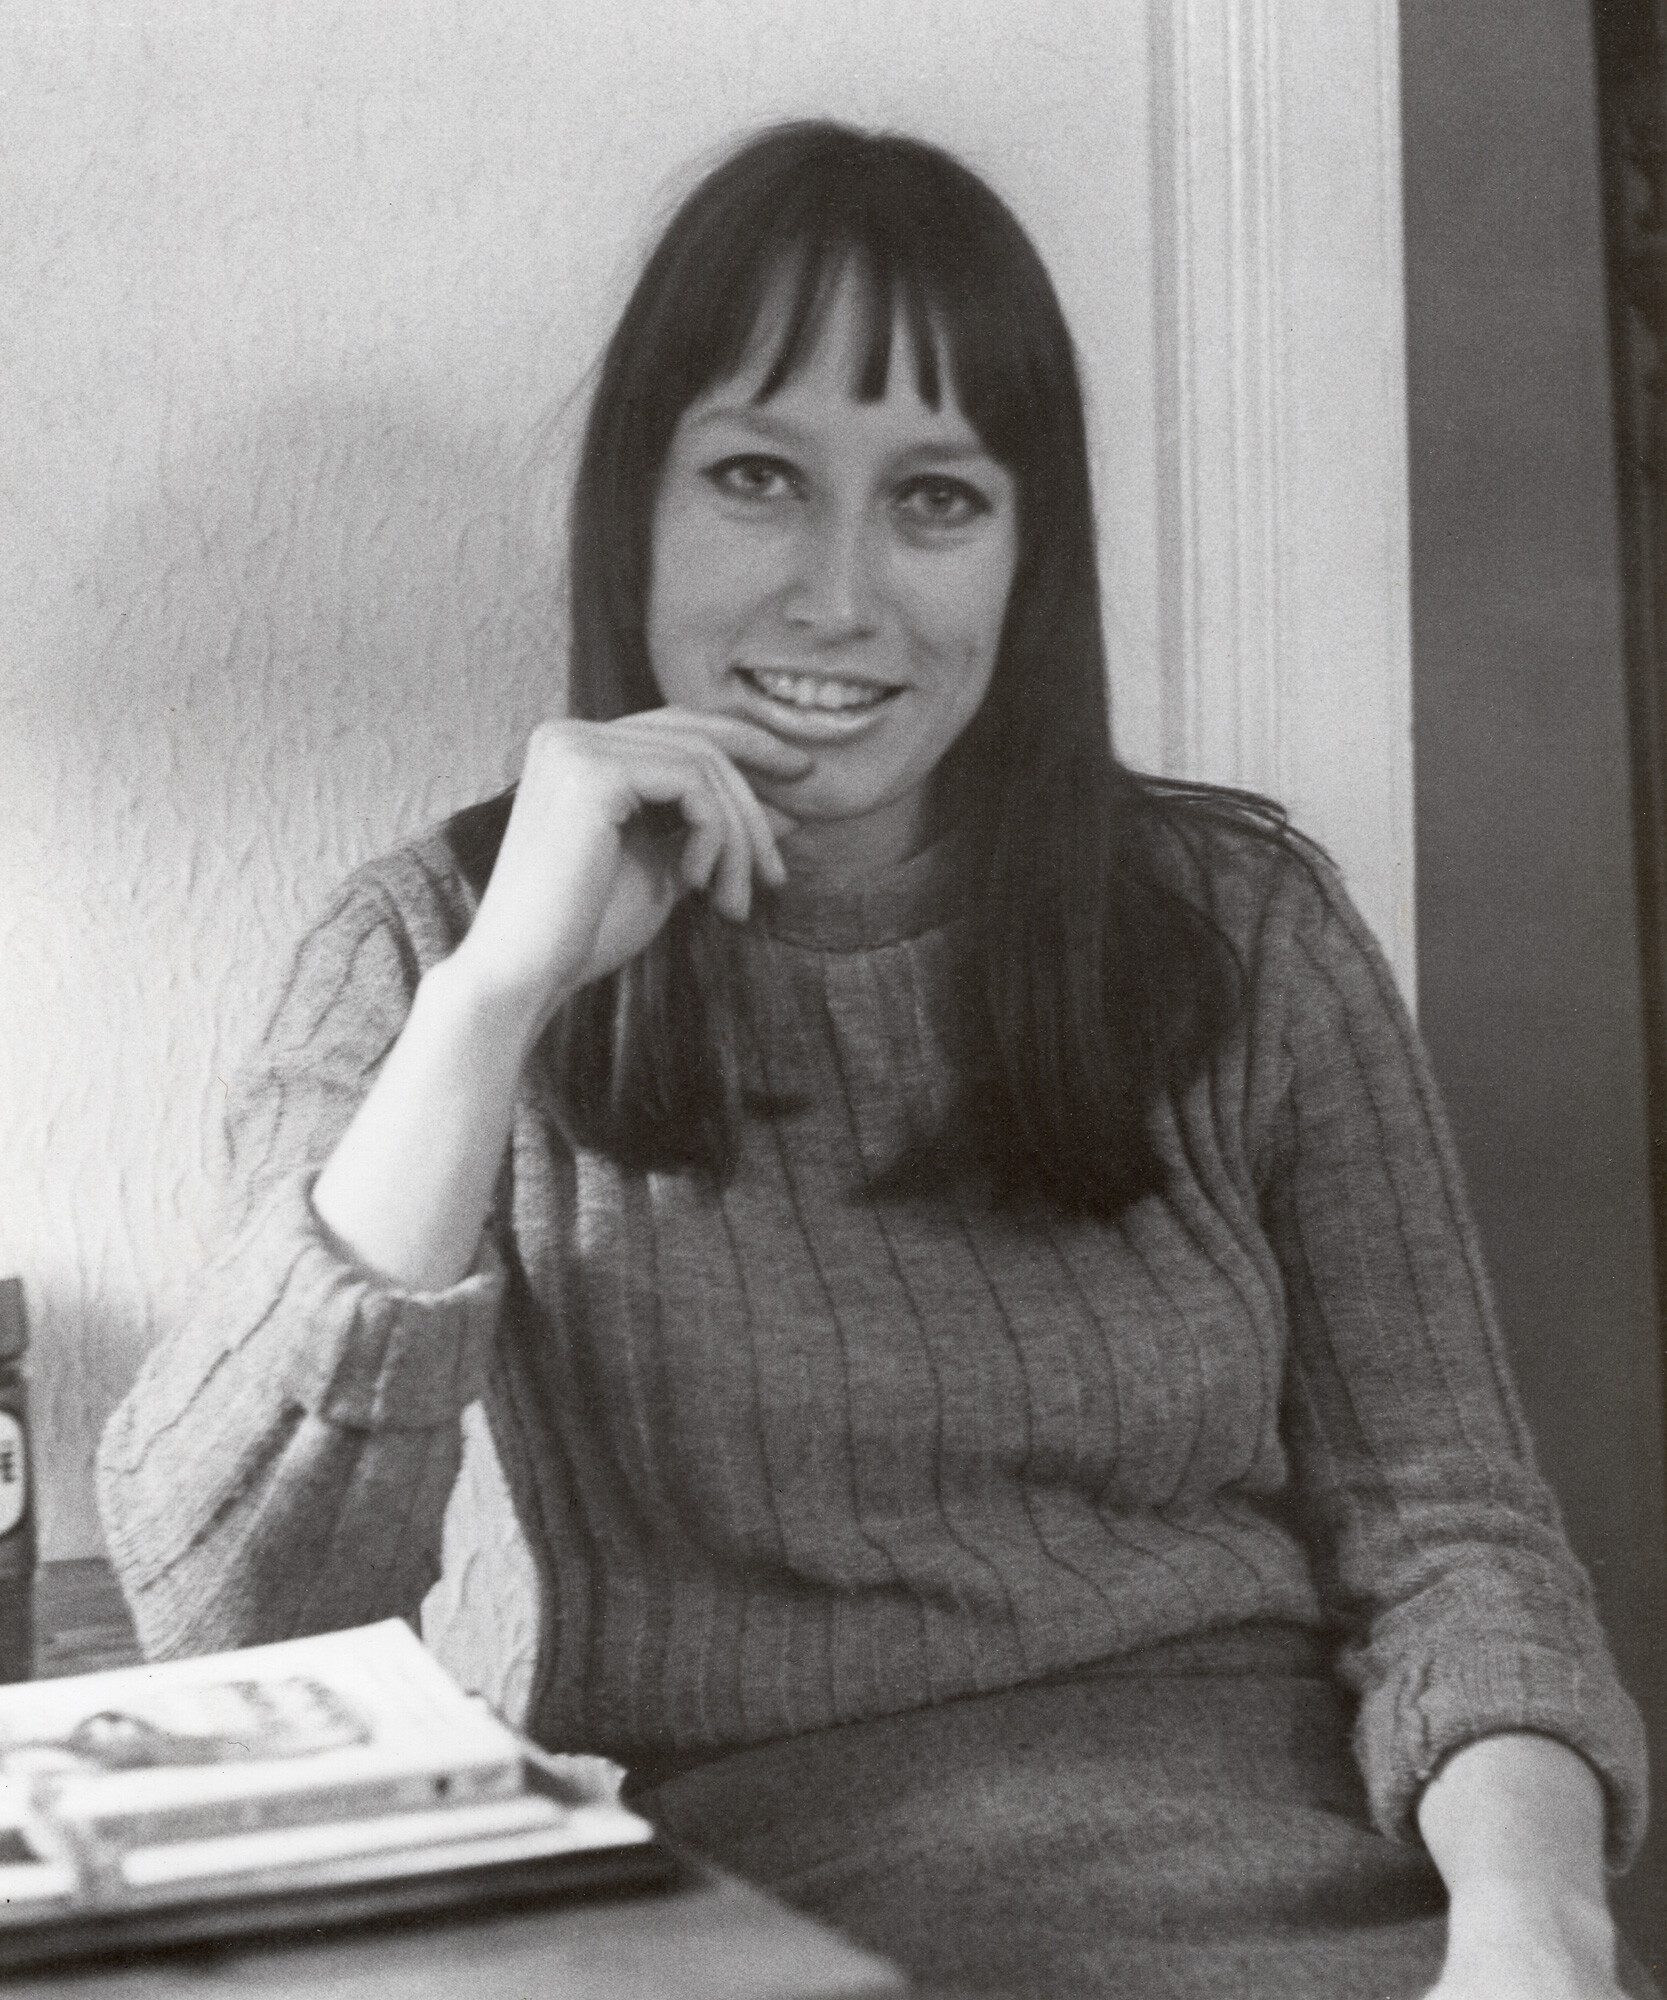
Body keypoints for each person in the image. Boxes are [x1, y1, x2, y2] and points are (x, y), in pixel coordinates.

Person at [98, 123, 1652, 1999]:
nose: (842, 594)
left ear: (1026, 555)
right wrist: (497, 1000)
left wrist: (1532, 1931)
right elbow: (236, 1630)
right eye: (759, 477)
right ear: (635, 512)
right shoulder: (432, 948)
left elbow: (1456, 1537)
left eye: (934, 499)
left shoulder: (1245, 933)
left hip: (1300, 1896)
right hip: (747, 1927)